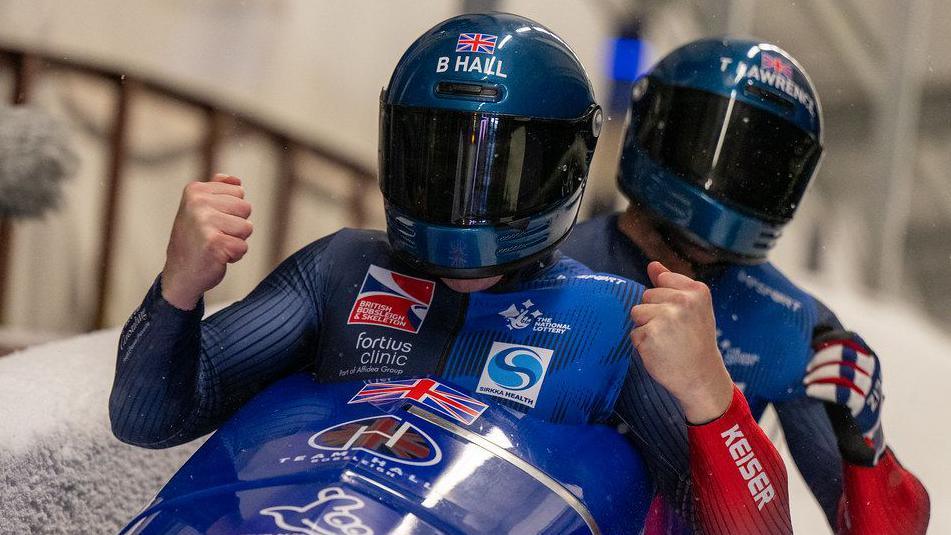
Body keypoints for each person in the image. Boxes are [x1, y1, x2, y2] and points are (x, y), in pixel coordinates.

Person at [110, 15, 791, 534]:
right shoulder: (341, 268)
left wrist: (710, 395)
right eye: (439, 157)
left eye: (499, 169)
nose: (466, 195)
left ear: (564, 166)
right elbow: (148, 417)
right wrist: (178, 287)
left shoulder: (616, 323)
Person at [562, 38, 930, 534]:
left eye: (757, 169)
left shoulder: (793, 324)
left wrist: (867, 453)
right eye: (710, 147)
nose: (729, 183)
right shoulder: (553, 267)